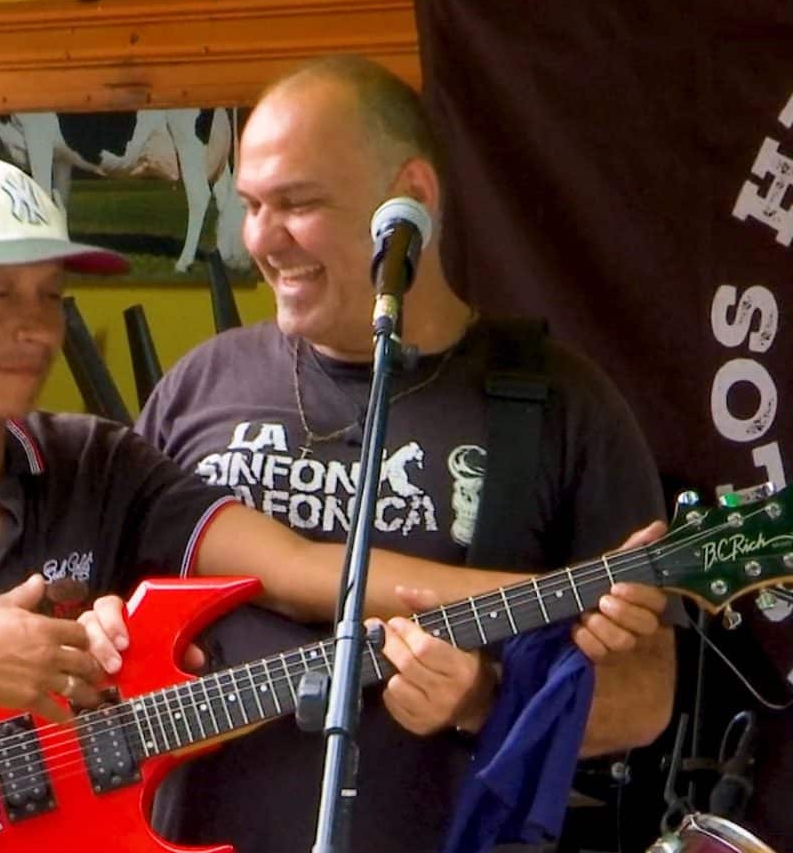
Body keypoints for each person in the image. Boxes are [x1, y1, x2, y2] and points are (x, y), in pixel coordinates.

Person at [0, 150, 670, 853]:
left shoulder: (101, 462)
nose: (35, 329)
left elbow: (318, 573)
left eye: (49, 297)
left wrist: (578, 587)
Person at [129, 55, 678, 852]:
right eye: (250, 205)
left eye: (298, 203)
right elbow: (105, 619)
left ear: (413, 197)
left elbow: (642, 696)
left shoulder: (557, 403)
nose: (262, 238)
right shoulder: (199, 384)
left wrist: (484, 699)